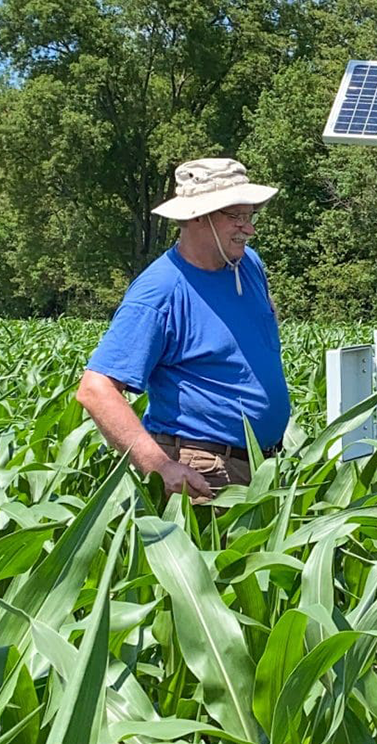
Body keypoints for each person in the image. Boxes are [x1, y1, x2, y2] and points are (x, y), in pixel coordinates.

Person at [76, 157, 291, 503]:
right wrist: (158, 466)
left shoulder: (248, 265)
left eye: (249, 215)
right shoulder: (160, 292)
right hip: (206, 472)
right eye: (234, 216)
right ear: (196, 217)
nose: (247, 228)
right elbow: (95, 389)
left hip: (265, 465)